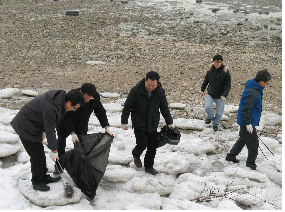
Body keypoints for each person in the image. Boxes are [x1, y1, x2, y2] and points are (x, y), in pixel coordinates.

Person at [11, 89, 85, 191]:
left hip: (34, 124)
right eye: (74, 107)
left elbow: (50, 122)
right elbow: (50, 129)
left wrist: (43, 130)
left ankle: (43, 177)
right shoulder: (52, 107)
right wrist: (54, 150)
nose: (73, 110)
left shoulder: (60, 101)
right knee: (37, 156)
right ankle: (37, 182)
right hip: (24, 126)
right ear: (68, 102)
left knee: (40, 154)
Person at [121, 71, 175, 175]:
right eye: (149, 85)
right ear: (145, 80)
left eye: (153, 85)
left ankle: (149, 167)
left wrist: (170, 122)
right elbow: (127, 106)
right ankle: (136, 154)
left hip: (152, 123)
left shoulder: (160, 91)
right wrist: (124, 121)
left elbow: (164, 108)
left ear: (158, 83)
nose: (151, 87)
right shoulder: (136, 90)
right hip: (139, 122)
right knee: (142, 143)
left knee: (152, 146)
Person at [54, 83, 112, 174]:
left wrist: (106, 126)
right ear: (81, 92)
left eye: (90, 98)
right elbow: (67, 117)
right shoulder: (72, 96)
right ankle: (59, 165)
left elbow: (100, 111)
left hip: (82, 124)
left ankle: (79, 165)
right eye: (86, 98)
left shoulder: (94, 97)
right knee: (61, 141)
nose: (88, 101)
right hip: (65, 122)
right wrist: (72, 132)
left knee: (81, 144)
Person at [225, 69, 271, 170]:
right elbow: (245, 109)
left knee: (243, 139)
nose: (267, 84)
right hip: (247, 121)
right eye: (267, 83)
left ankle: (231, 156)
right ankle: (251, 163)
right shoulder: (253, 92)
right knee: (254, 143)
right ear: (262, 81)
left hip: (246, 120)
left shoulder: (253, 86)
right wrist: (248, 124)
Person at [201, 55, 231, 131]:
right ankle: (210, 117)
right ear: (213, 62)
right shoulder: (210, 70)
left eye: (218, 62)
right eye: (215, 62)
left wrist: (225, 95)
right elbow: (206, 81)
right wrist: (202, 90)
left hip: (221, 95)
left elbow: (228, 85)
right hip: (211, 93)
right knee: (207, 107)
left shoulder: (225, 71)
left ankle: (215, 124)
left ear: (222, 62)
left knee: (219, 113)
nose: (217, 64)